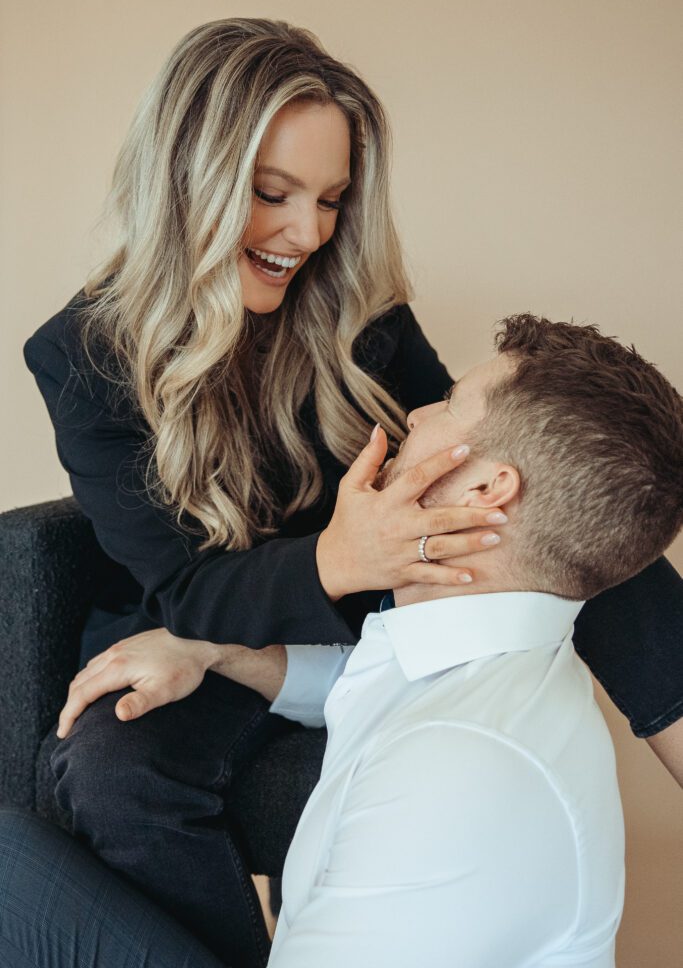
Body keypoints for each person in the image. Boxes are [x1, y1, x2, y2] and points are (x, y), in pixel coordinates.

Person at [15, 18, 683, 964]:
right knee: (114, 768)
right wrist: (331, 559)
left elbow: (503, 470)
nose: (307, 233)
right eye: (272, 194)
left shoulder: (358, 313)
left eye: (331, 199)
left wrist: (369, 567)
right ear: (184, 182)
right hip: (201, 612)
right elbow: (185, 590)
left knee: (570, 481)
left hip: (364, 624)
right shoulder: (81, 356)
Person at [3, 314, 681, 967]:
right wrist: (212, 650)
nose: (412, 415)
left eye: (446, 402)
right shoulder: (497, 651)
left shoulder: (454, 775)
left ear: (485, 488)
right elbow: (358, 680)